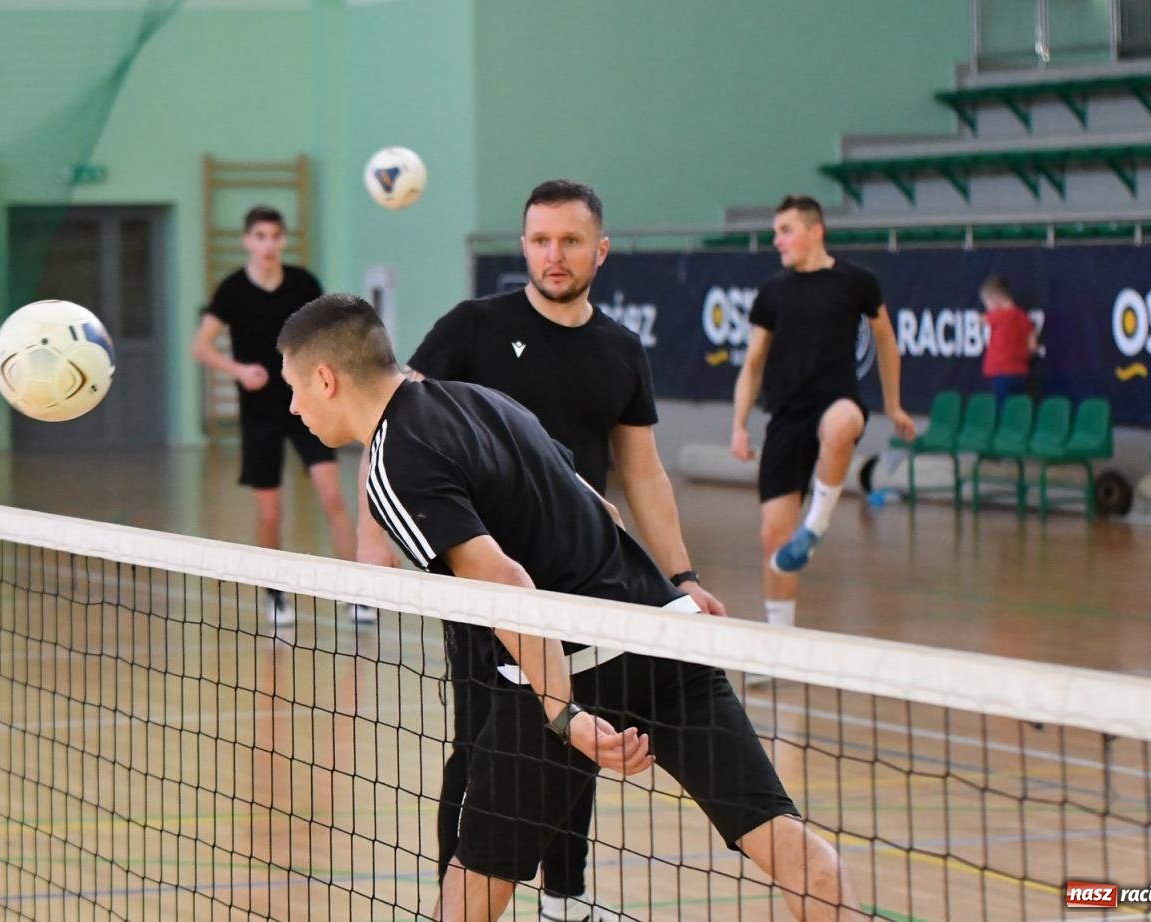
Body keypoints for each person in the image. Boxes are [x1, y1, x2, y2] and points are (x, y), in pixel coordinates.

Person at [279, 294, 861, 922]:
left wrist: (563, 715)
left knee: (472, 888)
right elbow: (599, 507)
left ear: (326, 379)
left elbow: (505, 583)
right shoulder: (483, 400)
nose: (293, 407)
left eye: (294, 388)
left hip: (570, 666)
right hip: (665, 633)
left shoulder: (392, 461)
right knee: (782, 839)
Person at [357, 179, 723, 921]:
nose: (553, 256)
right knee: (481, 746)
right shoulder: (472, 327)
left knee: (578, 736)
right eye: (539, 241)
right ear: (524, 245)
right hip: (484, 575)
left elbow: (643, 471)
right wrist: (380, 544)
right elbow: (392, 427)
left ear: (601, 249)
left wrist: (681, 576)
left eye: (570, 241)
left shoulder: (620, 350)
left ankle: (565, 899)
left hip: (585, 580)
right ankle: (456, 902)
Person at [730, 196, 914, 628]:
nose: (778, 240)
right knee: (773, 538)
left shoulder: (857, 282)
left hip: (836, 402)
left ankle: (816, 524)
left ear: (816, 231)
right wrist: (738, 425)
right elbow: (753, 362)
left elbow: (886, 341)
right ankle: (779, 643)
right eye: (776, 232)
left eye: (786, 230)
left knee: (844, 422)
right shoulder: (772, 292)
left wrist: (893, 405)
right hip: (786, 418)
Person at [192, 206, 359, 627]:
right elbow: (202, 346)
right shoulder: (231, 290)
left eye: (275, 236)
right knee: (270, 513)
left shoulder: (303, 284)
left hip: (308, 407)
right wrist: (239, 371)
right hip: (260, 414)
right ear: (248, 241)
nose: (268, 244)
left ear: (283, 240)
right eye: (260, 236)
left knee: (333, 497)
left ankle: (359, 592)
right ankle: (275, 594)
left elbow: (329, 335)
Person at [979, 274, 1037, 406]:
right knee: (1018, 410)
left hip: (1000, 373)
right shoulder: (1023, 317)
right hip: (1020, 373)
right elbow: (1033, 346)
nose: (987, 308)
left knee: (1002, 412)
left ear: (995, 300)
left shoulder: (997, 315)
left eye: (986, 304)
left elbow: (981, 320)